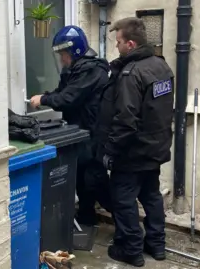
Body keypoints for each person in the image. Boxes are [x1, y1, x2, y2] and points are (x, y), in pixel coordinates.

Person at [94, 17, 174, 267]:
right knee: (151, 196)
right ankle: (157, 245)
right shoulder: (161, 67)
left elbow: (126, 119)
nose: (116, 47)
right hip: (155, 147)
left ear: (130, 43)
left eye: (118, 42)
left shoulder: (131, 73)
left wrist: (110, 150)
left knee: (123, 198)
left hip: (132, 152)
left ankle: (131, 249)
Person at [29, 25, 111, 226]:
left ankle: (127, 227)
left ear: (74, 51)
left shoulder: (91, 70)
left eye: (63, 54)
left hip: (93, 133)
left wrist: (44, 99)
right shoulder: (75, 70)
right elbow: (62, 91)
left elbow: (69, 97)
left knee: (95, 181)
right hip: (80, 131)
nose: (61, 59)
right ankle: (86, 218)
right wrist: (48, 96)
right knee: (81, 179)